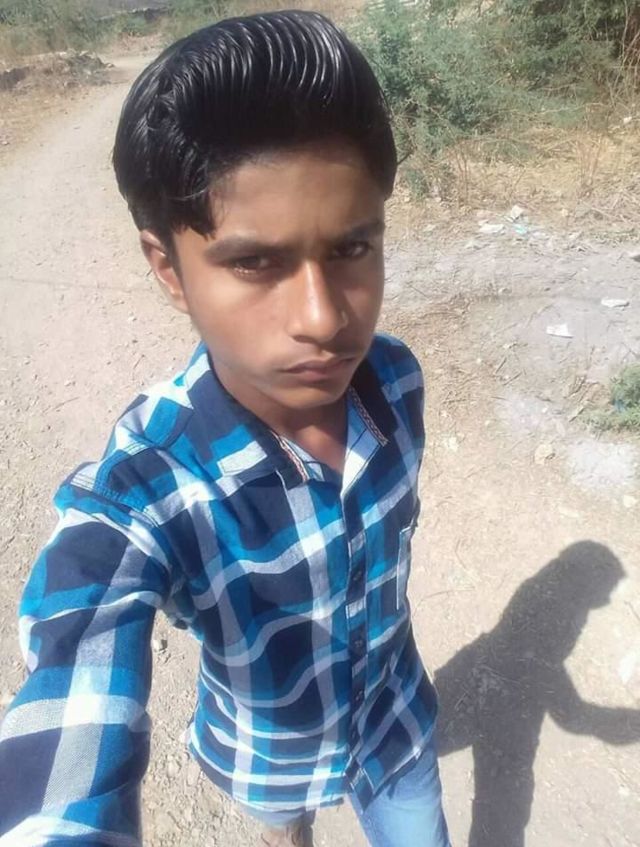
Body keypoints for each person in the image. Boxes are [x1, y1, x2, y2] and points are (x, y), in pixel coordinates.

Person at [0, 11, 450, 847]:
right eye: (254, 262)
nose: (323, 319)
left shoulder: (395, 380)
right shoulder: (147, 486)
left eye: (351, 249)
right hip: (268, 759)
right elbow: (76, 672)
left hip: (396, 726)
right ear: (169, 269)